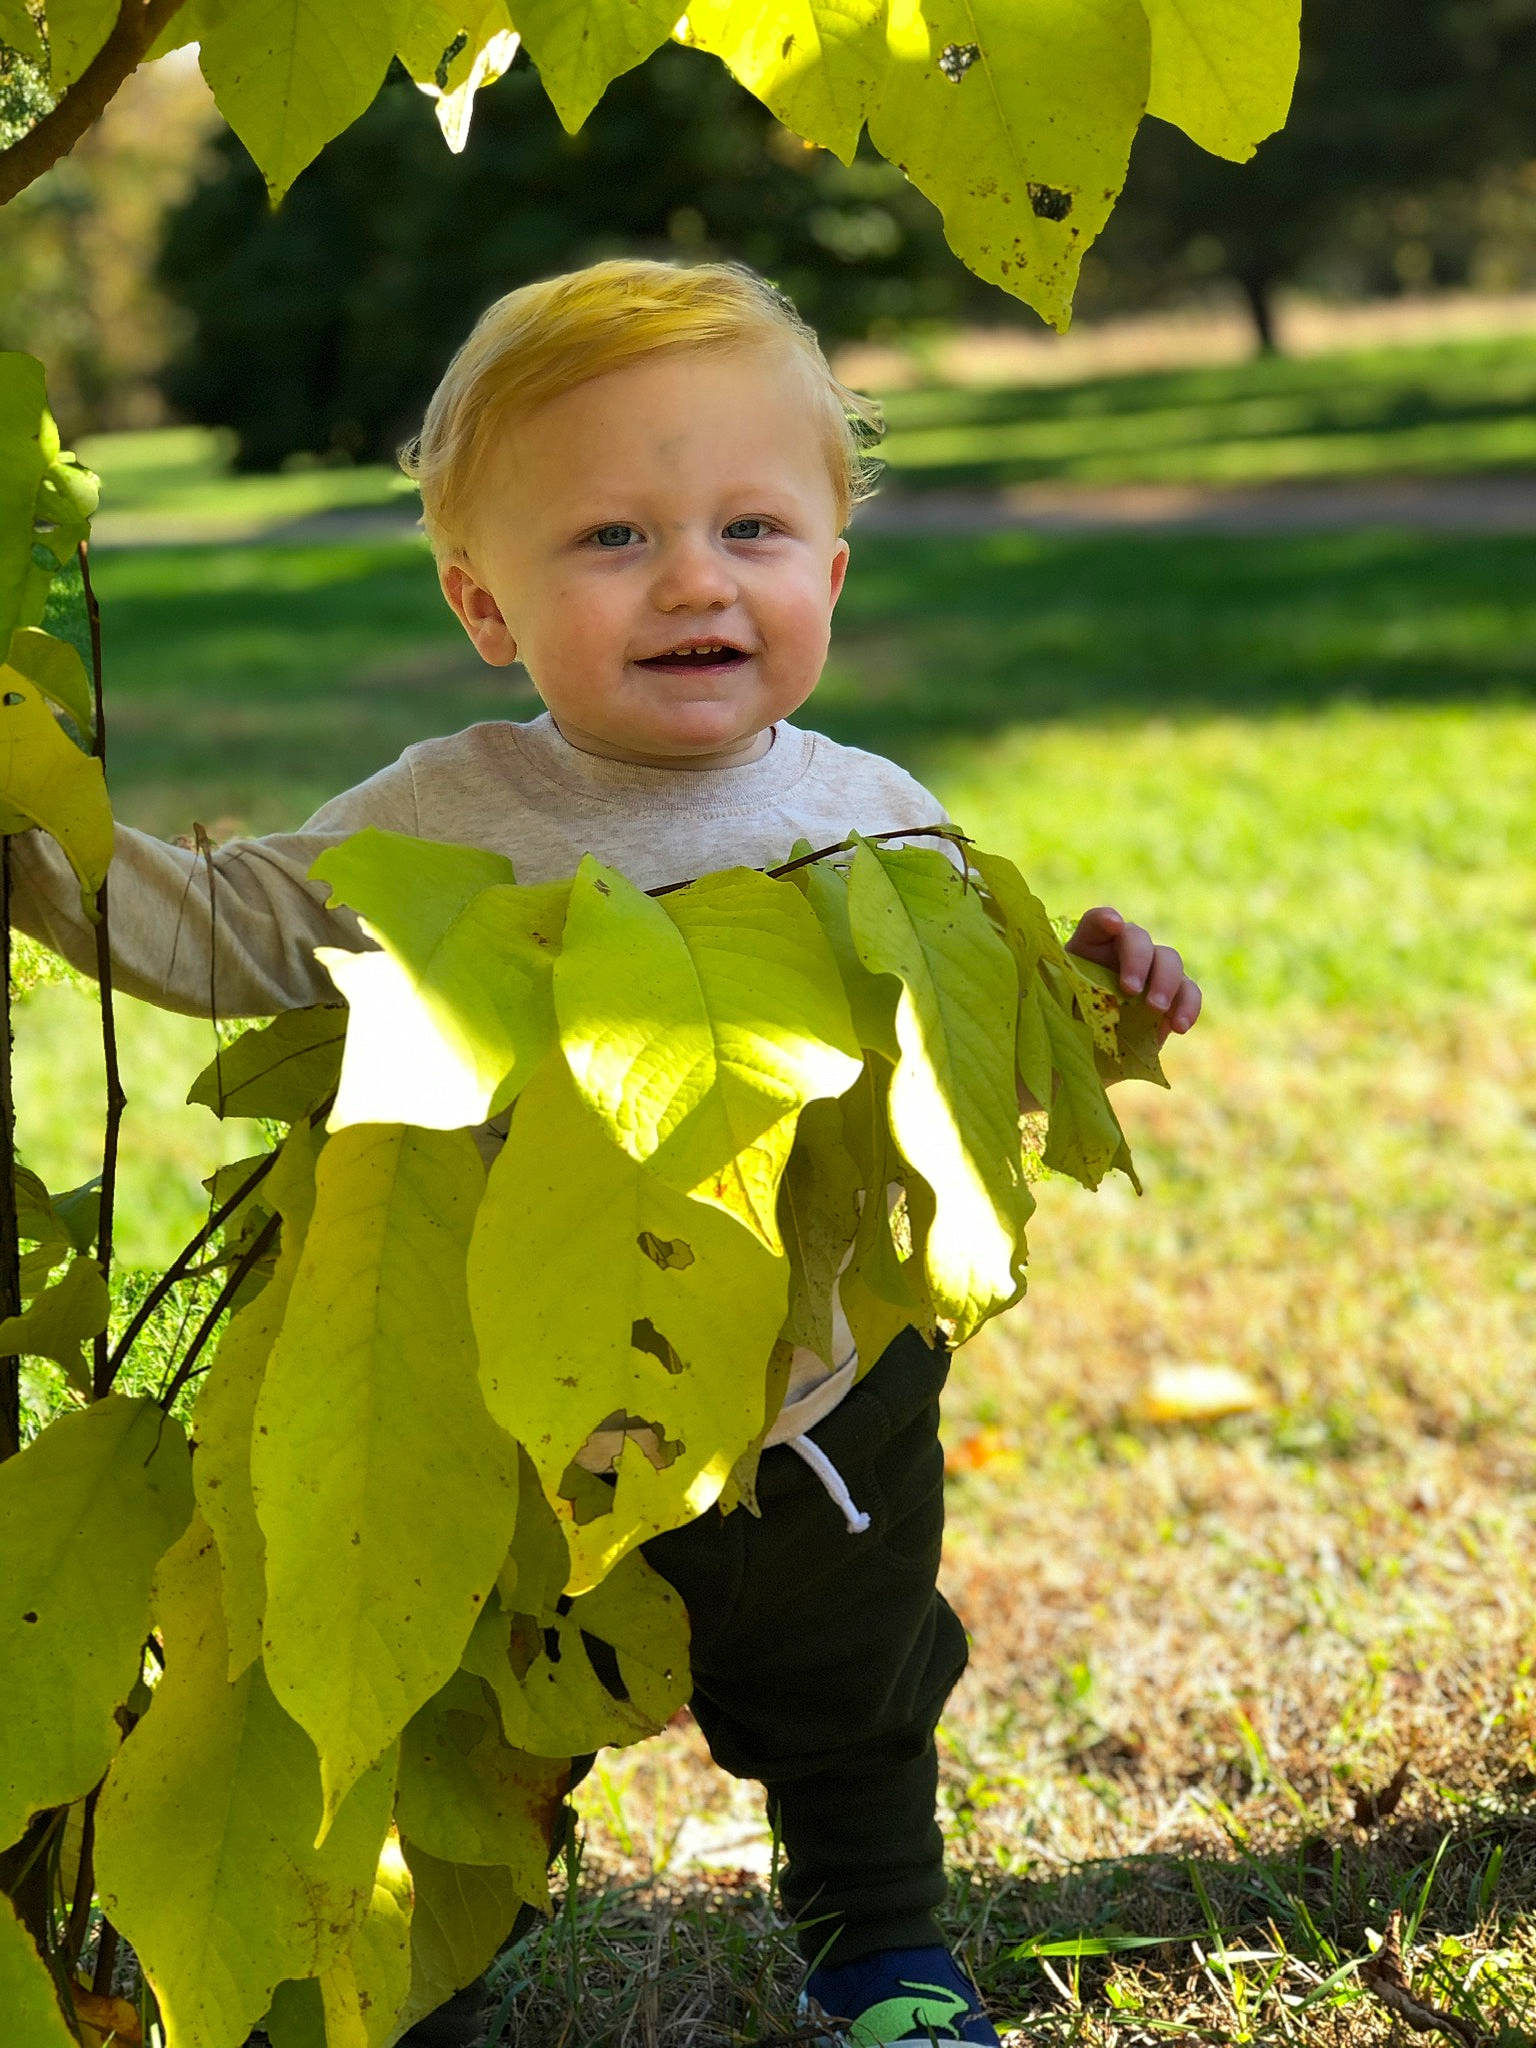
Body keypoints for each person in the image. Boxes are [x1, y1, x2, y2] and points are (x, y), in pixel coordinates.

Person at [11, 258, 1201, 2047]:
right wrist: (42, 851)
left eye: (750, 526)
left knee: (850, 1681)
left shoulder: (871, 816)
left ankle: (880, 1942)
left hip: (822, 1385)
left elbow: (964, 1057)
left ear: (831, 571)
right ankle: (422, 1964)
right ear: (484, 603)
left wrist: (1104, 1002)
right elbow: (235, 931)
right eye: (614, 540)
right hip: (522, 1402)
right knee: (477, 1703)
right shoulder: (451, 811)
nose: (697, 579)